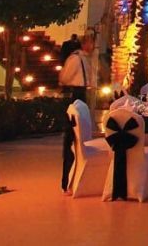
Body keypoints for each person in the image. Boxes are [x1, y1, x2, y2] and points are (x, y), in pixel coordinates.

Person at [58, 32, 95, 192]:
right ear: (85, 44)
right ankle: (66, 181)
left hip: (82, 94)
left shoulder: (85, 59)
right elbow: (65, 78)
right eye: (91, 42)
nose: (93, 46)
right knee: (72, 138)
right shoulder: (75, 58)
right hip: (76, 95)